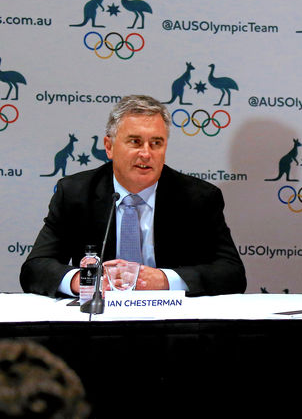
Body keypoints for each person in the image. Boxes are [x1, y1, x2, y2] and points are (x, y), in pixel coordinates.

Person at [20, 95, 246, 297]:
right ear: (109, 146)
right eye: (135, 142)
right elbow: (35, 268)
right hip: (99, 323)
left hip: (173, 326)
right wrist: (87, 280)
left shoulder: (199, 198)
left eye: (156, 143)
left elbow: (232, 273)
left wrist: (164, 280)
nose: (146, 153)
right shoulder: (76, 193)